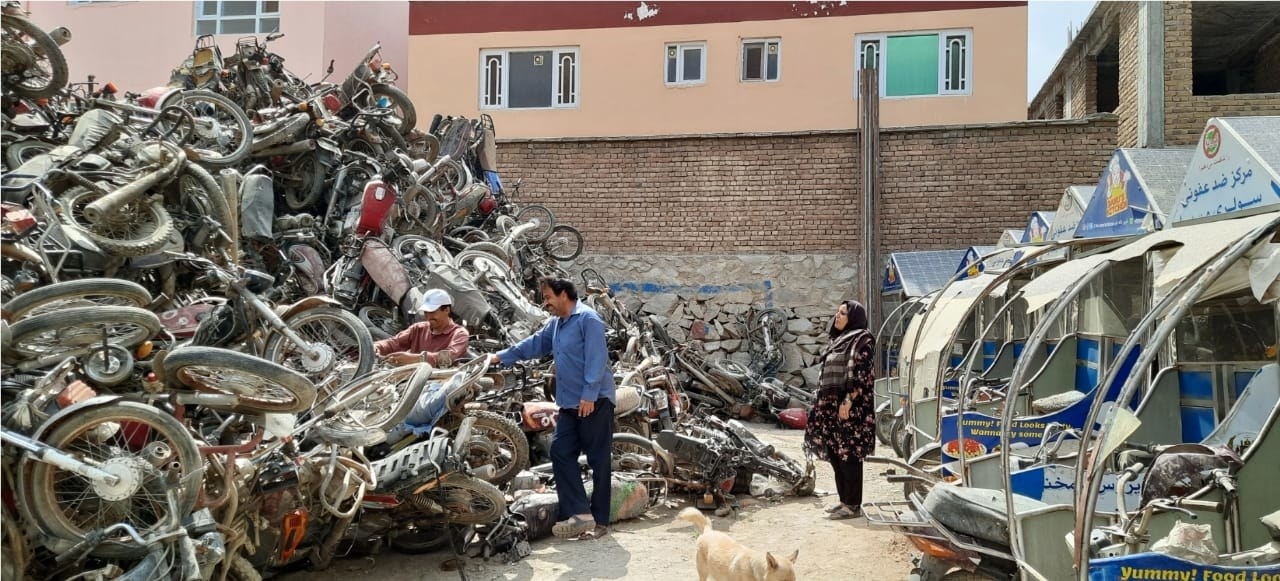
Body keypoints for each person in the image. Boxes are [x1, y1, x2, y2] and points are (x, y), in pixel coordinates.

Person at [489, 276, 615, 540]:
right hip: (569, 403)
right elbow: (534, 344)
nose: (545, 303)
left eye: (548, 298)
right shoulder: (556, 325)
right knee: (560, 452)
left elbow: (597, 358)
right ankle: (580, 514)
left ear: (564, 295)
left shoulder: (587, 319)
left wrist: (590, 394)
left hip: (594, 401)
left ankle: (601, 520)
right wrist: (502, 357)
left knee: (598, 459)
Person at [803, 300, 876, 520]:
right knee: (836, 454)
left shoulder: (862, 340)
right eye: (838, 312)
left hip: (851, 409)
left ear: (853, 317)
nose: (838, 316)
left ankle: (853, 505)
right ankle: (844, 500)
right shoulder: (837, 341)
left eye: (843, 313)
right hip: (830, 409)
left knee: (849, 456)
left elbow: (863, 376)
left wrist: (848, 401)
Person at [375, 289, 470, 367]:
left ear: (446, 310)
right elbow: (394, 343)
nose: (428, 317)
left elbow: (448, 357)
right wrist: (377, 346)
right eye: (426, 312)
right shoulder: (418, 328)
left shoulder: (460, 334)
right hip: (408, 378)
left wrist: (416, 359)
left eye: (432, 312)